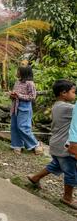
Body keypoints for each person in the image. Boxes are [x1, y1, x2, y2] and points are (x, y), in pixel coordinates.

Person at [27, 80, 77, 208]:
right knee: (71, 172)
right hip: (64, 146)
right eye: (73, 92)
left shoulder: (57, 105)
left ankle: (35, 177)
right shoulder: (67, 108)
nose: (75, 94)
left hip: (56, 144)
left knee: (55, 165)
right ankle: (67, 198)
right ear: (63, 93)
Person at [10, 65, 43, 155]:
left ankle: (35, 144)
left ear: (23, 73)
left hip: (24, 107)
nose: (16, 73)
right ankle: (17, 145)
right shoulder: (17, 82)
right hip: (15, 106)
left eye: (18, 71)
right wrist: (12, 95)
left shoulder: (30, 83)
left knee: (23, 127)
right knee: (14, 126)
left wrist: (19, 95)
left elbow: (32, 96)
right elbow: (15, 94)